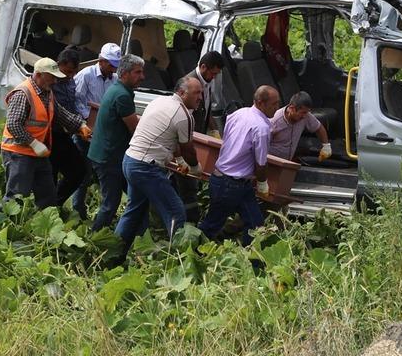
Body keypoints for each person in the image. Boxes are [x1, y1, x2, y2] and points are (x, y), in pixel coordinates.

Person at [114, 76, 204, 259]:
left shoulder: (160, 101)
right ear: (181, 93)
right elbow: (188, 149)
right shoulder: (183, 115)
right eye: (196, 93)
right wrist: (195, 168)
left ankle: (113, 255)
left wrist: (178, 159)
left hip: (130, 160)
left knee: (134, 211)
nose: (200, 97)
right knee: (176, 211)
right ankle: (181, 261)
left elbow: (168, 137)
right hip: (147, 167)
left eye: (201, 93)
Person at [0, 58, 91, 210]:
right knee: (16, 197)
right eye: (52, 77)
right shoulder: (23, 93)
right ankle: (1, 224)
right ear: (39, 75)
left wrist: (80, 125)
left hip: (38, 153)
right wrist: (33, 143)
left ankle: (45, 225)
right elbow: (14, 125)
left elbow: (60, 113)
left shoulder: (47, 93)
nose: (54, 81)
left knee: (48, 195)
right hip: (19, 153)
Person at [198, 85, 280, 245]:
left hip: (230, 180)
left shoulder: (238, 114)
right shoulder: (261, 128)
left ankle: (253, 263)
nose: (276, 109)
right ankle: (190, 254)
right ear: (261, 103)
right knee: (212, 224)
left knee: (255, 224)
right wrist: (263, 183)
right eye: (274, 104)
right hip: (231, 183)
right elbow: (261, 162)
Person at [87, 54, 145, 231]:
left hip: (108, 155)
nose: (142, 76)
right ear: (125, 74)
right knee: (110, 203)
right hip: (109, 158)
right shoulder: (122, 96)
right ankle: (95, 238)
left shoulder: (117, 90)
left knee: (137, 196)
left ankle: (138, 232)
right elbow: (135, 130)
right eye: (138, 72)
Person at [71, 42, 122, 218]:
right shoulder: (86, 75)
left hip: (102, 136)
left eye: (116, 66)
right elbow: (76, 102)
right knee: (83, 173)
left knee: (104, 174)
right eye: (111, 66)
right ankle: (77, 210)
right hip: (85, 132)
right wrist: (91, 119)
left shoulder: (114, 79)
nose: (114, 70)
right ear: (101, 61)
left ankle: (105, 209)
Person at [175, 51, 225, 221]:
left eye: (217, 74)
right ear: (203, 67)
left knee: (187, 181)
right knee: (186, 181)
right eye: (212, 73)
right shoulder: (189, 84)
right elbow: (181, 115)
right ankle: (188, 220)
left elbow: (206, 107)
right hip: (186, 138)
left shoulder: (207, 82)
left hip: (197, 136)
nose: (214, 76)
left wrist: (213, 130)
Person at [49, 48, 88, 215]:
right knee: (50, 174)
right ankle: (48, 210)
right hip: (48, 135)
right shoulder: (50, 82)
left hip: (66, 133)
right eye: (68, 71)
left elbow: (70, 107)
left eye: (74, 72)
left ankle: (55, 202)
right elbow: (57, 111)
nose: (70, 75)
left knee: (79, 171)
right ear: (59, 65)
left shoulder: (71, 81)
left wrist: (79, 125)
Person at [268, 91, 332, 161]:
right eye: (303, 113)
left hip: (288, 162)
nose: (305, 116)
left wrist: (326, 146)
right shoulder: (274, 121)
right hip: (272, 162)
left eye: (307, 112)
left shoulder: (305, 115)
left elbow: (319, 128)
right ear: (292, 109)